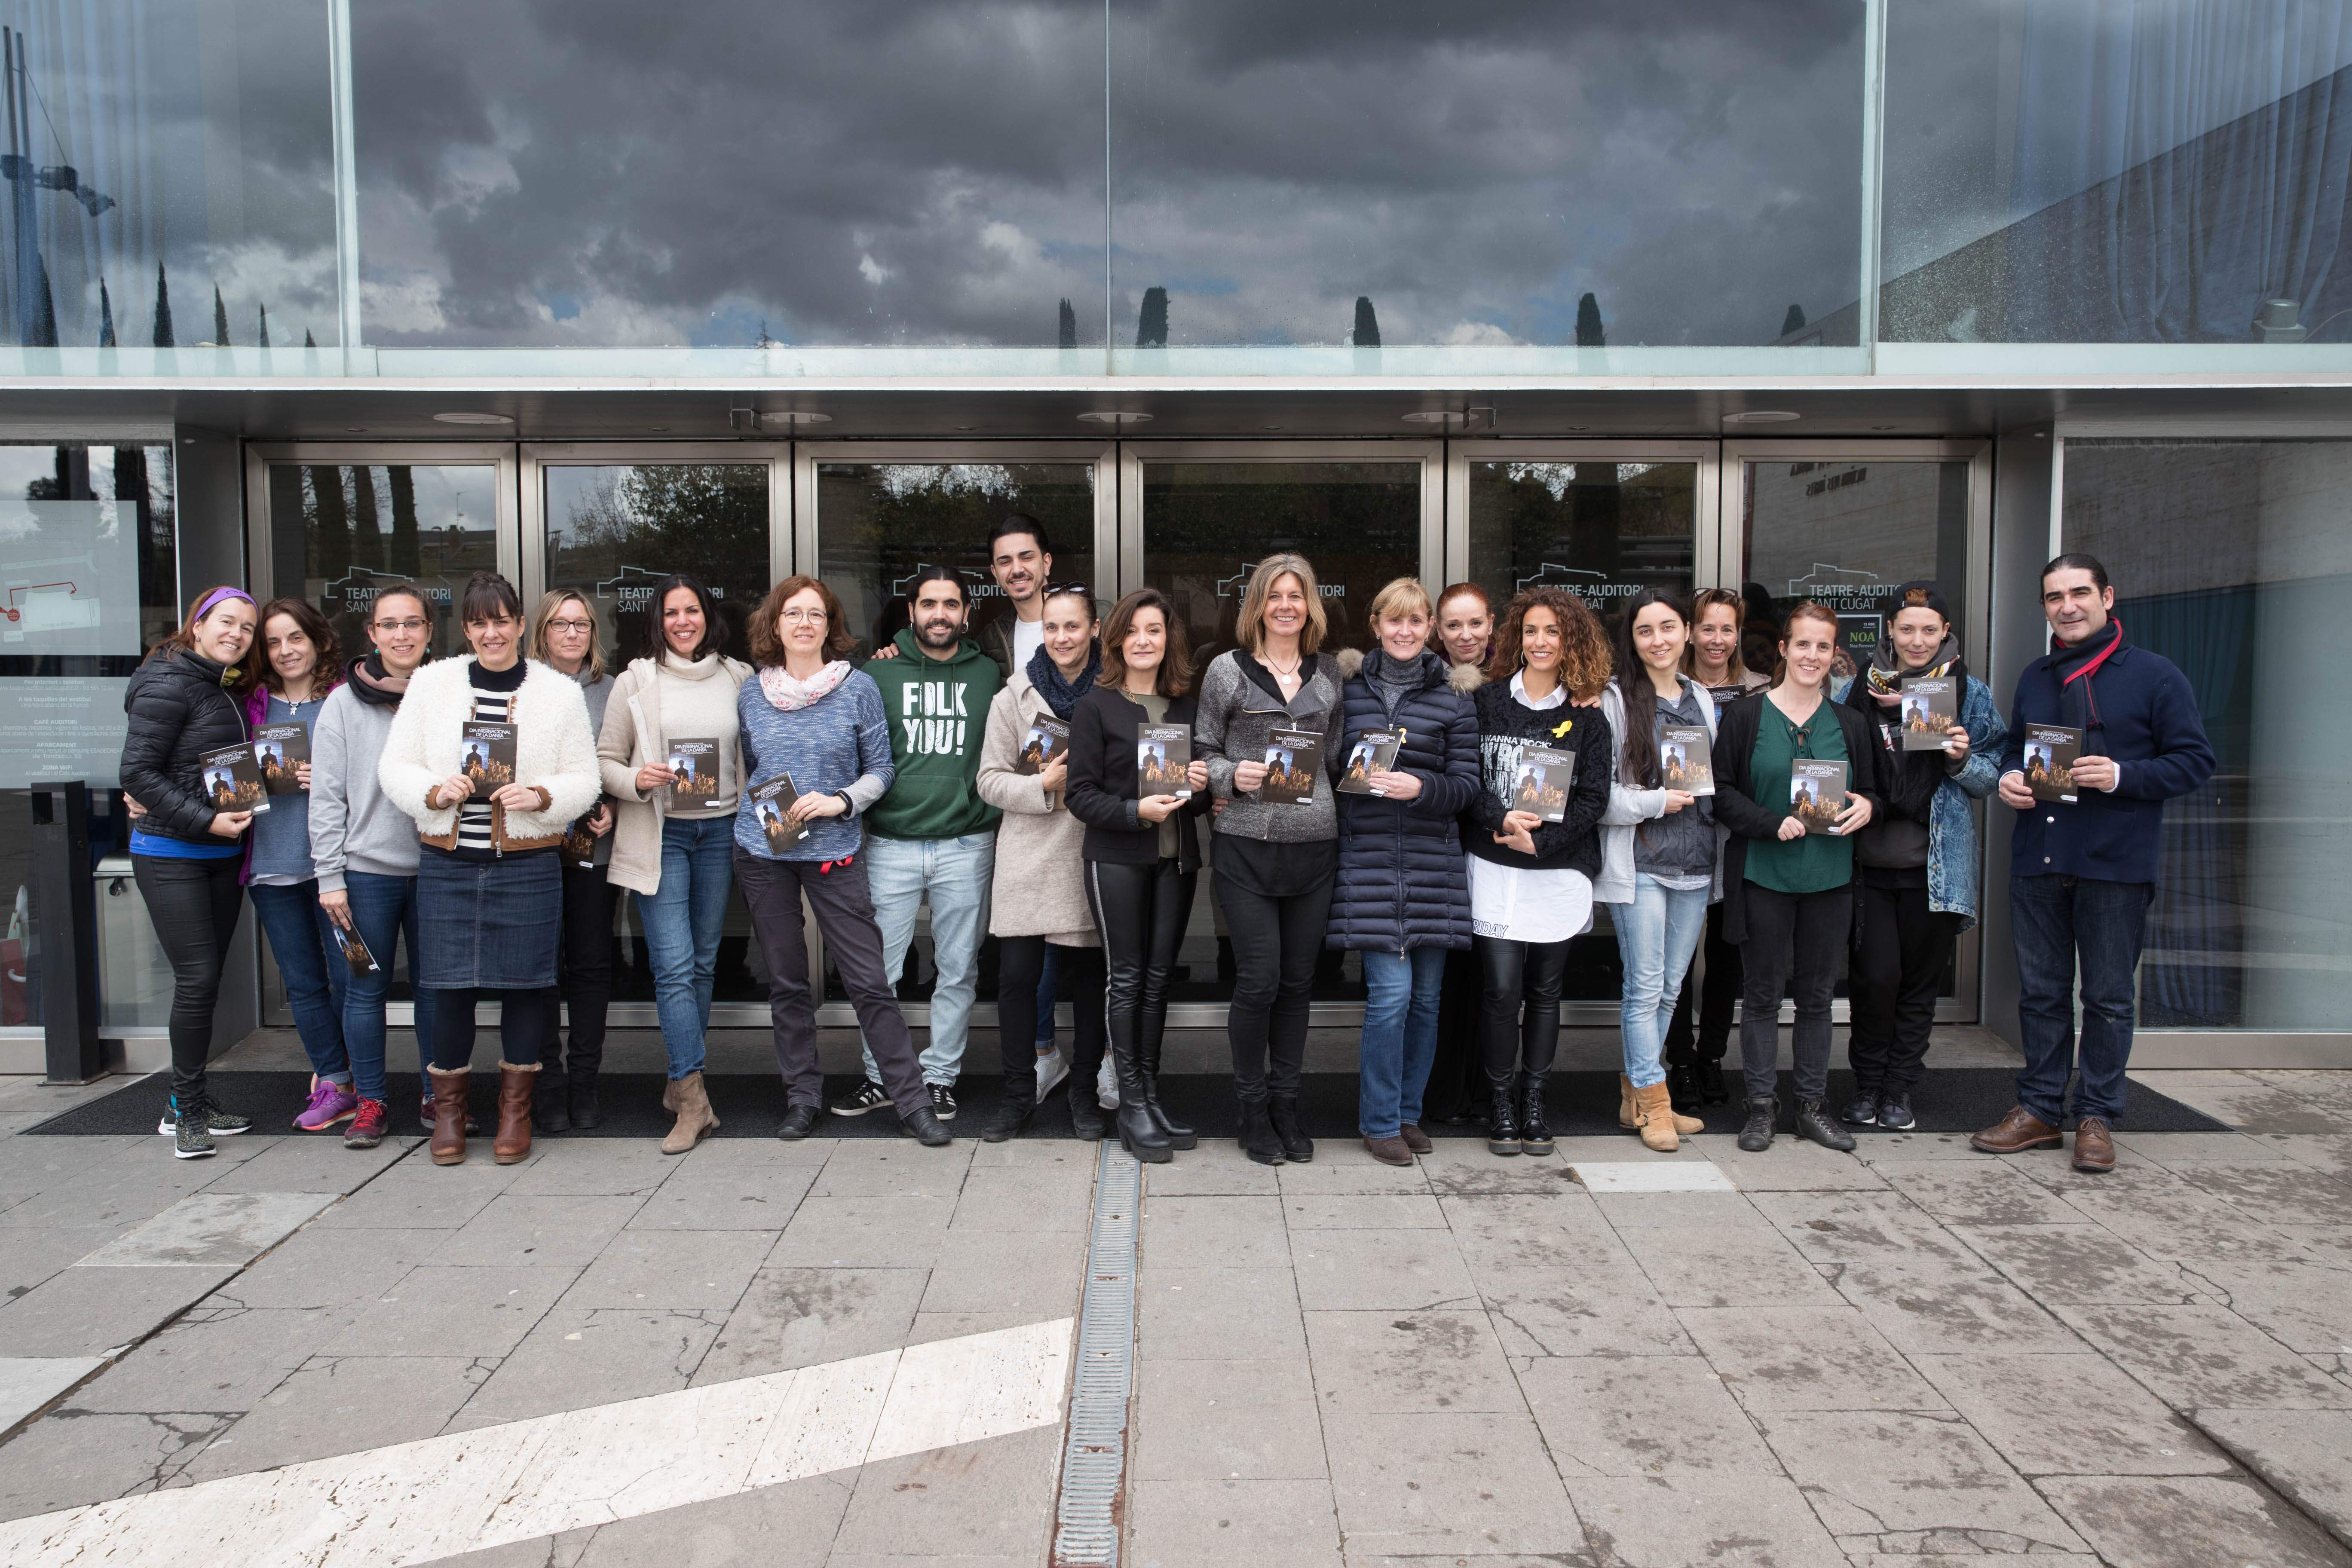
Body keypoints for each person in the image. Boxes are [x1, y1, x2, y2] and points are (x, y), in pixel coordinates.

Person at [1973, 554, 2213, 1174]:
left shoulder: (2155, 676)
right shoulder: (2036, 676)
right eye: (2055, 597)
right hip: (2040, 860)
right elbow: (2011, 751)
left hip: (2114, 865)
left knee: (2107, 999)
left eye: (2080, 593)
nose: (2068, 606)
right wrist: (2007, 781)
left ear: (2108, 596)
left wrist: (2123, 774)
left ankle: (2097, 1116)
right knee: (2043, 995)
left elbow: (2195, 761)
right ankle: (2040, 1110)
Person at [380, 572, 600, 1167]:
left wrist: (544, 795)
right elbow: (394, 767)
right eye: (479, 622)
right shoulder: (431, 685)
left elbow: (586, 777)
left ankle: (513, 1114)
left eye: (502, 620)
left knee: (527, 989)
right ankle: (449, 1116)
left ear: (521, 624)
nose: (491, 632)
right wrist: (433, 789)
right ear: (467, 629)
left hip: (526, 863)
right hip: (449, 860)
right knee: (447, 990)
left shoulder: (559, 693)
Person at [731, 575, 952, 1146]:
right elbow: (755, 765)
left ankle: (911, 1102)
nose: (805, 624)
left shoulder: (858, 688)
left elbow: (882, 768)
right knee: (786, 983)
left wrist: (839, 801)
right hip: (765, 852)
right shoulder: (752, 693)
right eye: (793, 614)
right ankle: (802, 1099)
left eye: (816, 615)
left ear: (830, 626)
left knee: (869, 981)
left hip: (836, 851)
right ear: (774, 625)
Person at [829, 567, 1003, 1123]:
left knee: (956, 969)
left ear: (967, 613)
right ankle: (881, 1075)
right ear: (910, 612)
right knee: (879, 970)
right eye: (929, 604)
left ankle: (939, 1079)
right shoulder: (874, 677)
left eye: (951, 604)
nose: (939, 614)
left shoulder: (987, 675)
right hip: (891, 844)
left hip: (966, 843)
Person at [1708, 601, 1883, 1154]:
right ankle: (1760, 1107)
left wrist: (1867, 807)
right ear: (1783, 649)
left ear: (1836, 657)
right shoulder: (1746, 717)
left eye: (1823, 647)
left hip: (1829, 879)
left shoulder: (1852, 725)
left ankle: (1811, 1106)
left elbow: (1877, 790)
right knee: (1760, 995)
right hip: (1764, 875)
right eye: (1802, 644)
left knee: (1816, 997)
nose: (1812, 656)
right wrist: (1769, 821)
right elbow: (1722, 794)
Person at [1836, 582, 2007, 1133]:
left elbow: (1993, 777)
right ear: (1889, 630)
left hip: (1935, 871)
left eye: (1929, 630)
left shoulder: (1970, 694)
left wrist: (1960, 761)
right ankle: (1866, 1085)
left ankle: (1899, 1091)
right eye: (1906, 628)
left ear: (1946, 634)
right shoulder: (1854, 693)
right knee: (1874, 980)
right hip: (1865, 866)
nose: (1916, 640)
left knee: (1918, 986)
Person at [1194, 554, 1348, 1164]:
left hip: (1314, 847)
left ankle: (1288, 1104)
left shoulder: (1331, 672)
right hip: (1246, 844)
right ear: (1256, 604)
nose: (1287, 605)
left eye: (1298, 595)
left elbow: (1332, 758)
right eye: (1275, 595)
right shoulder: (1226, 671)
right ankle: (1251, 1107)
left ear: (1310, 604)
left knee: (1297, 985)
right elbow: (1203, 747)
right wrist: (1236, 774)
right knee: (1258, 981)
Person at [1328, 578, 1479, 1165]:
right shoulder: (1347, 688)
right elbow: (1325, 762)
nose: (1406, 631)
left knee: (1426, 1001)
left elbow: (1468, 785)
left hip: (1432, 865)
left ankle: (1409, 1113)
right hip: (1366, 862)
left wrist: (1423, 787)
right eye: (1395, 620)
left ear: (1431, 630)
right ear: (1375, 624)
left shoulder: (1453, 697)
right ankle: (1379, 1120)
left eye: (1417, 621)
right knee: (1391, 998)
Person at [597, 574, 750, 1153]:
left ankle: (681, 1077)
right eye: (671, 613)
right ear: (657, 622)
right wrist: (636, 780)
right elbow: (606, 760)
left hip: (719, 833)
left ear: (708, 616)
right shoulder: (636, 681)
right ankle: (692, 1098)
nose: (683, 621)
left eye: (692, 610)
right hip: (661, 836)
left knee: (706, 963)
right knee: (675, 966)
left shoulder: (739, 678)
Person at [1463, 587, 1614, 1158]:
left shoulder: (1587, 714)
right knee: (1502, 991)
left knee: (1546, 992)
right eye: (1531, 630)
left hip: (1558, 870)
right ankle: (1500, 1101)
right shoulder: (1488, 702)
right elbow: (1469, 779)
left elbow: (1594, 797)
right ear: (1516, 638)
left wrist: (1543, 841)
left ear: (1570, 638)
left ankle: (1534, 1101)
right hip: (1496, 863)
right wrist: (1504, 820)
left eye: (1553, 631)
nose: (1542, 641)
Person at [1066, 588, 1211, 1163]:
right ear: (1116, 640)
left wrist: (1200, 789)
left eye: (1155, 630)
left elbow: (1195, 805)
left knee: (1156, 982)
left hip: (1176, 862)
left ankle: (1149, 1096)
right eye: (1134, 631)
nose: (1145, 641)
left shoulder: (1185, 708)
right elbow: (1080, 796)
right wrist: (1134, 813)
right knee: (1125, 979)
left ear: (1169, 639)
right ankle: (1129, 1103)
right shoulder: (1096, 707)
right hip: (1116, 858)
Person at [120, 587, 263, 1158]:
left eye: (247, 628)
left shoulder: (219, 683)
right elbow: (137, 773)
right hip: (172, 852)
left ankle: (190, 1101)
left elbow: (204, 766)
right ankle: (183, 1109)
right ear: (197, 624)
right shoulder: (168, 679)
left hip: (219, 856)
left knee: (206, 981)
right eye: (227, 622)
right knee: (198, 980)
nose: (237, 635)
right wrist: (208, 821)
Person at [309, 584, 445, 1148]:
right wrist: (330, 877)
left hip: (439, 869)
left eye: (413, 623)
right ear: (372, 635)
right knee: (364, 990)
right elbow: (326, 795)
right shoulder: (342, 704)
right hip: (365, 876)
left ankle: (440, 1095)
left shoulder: (449, 695)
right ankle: (370, 1101)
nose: (402, 634)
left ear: (429, 632)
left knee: (436, 990)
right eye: (390, 625)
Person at [975, 582, 1111, 1141]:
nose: (1061, 637)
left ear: (1094, 630)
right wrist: (1044, 785)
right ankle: (1016, 1094)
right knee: (1017, 981)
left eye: (1072, 626)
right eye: (1051, 628)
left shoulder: (1116, 691)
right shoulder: (1013, 697)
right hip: (1028, 853)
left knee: (1087, 983)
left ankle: (1082, 1093)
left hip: (1091, 850)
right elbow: (987, 781)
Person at [1598, 589, 1719, 1152]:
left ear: (1687, 632)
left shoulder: (1702, 698)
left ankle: (1634, 1099)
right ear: (1634, 640)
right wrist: (1654, 802)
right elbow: (1596, 797)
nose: (1659, 640)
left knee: (1672, 990)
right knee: (1644, 987)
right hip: (1641, 864)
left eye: (1669, 627)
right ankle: (1657, 1102)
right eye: (1646, 631)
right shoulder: (1616, 701)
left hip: (1695, 863)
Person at [243, 599, 353, 1132]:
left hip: (336, 868)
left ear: (316, 641)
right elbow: (211, 769)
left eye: (295, 639)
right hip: (270, 866)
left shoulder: (344, 700)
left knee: (351, 977)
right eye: (273, 642)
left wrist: (332, 780)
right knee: (304, 984)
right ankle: (335, 1080)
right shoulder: (247, 706)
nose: (286, 651)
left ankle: (366, 1078)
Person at [1661, 588, 1771, 1110]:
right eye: (1708, 628)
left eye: (1728, 629)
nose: (1718, 640)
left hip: (1740, 842)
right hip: (1685, 832)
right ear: (1690, 631)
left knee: (1727, 958)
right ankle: (1680, 1060)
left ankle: (1711, 1057)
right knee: (1678, 958)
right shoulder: (1669, 689)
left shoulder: (1764, 691)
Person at [529, 591, 618, 1132]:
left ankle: (585, 1084)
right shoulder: (521, 688)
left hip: (594, 852)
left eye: (581, 624)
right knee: (541, 973)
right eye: (561, 624)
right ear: (542, 631)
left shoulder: (612, 691)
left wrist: (613, 806)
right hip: (533, 851)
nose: (572, 633)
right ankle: (548, 1084)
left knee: (590, 968)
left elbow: (624, 760)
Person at [1421, 582, 1496, 1127]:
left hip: (1503, 844)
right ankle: (1442, 1094)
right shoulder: (1423, 679)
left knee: (1493, 980)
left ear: (1491, 625)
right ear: (1436, 631)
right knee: (1444, 980)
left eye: (1475, 624)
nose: (1465, 636)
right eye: (1453, 626)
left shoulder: (1521, 680)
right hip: (1439, 842)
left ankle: (1488, 1089)